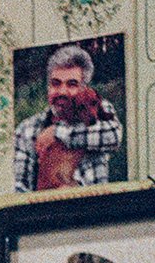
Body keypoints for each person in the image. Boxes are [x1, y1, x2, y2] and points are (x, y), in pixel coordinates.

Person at [12, 44, 123, 192]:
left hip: (94, 208)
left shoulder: (96, 107)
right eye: (55, 83)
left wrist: (57, 133)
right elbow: (19, 186)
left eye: (72, 84)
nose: (62, 91)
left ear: (85, 88)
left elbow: (114, 135)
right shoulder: (27, 129)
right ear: (48, 87)